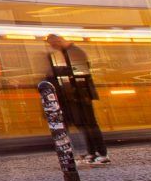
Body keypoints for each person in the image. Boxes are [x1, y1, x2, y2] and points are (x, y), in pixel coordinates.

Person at [45, 33, 109, 164]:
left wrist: (56, 72)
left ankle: (102, 153)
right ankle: (92, 152)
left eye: (54, 44)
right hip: (76, 95)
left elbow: (80, 72)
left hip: (82, 94)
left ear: (59, 41)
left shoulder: (74, 51)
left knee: (90, 124)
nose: (53, 47)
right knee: (84, 125)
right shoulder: (66, 52)